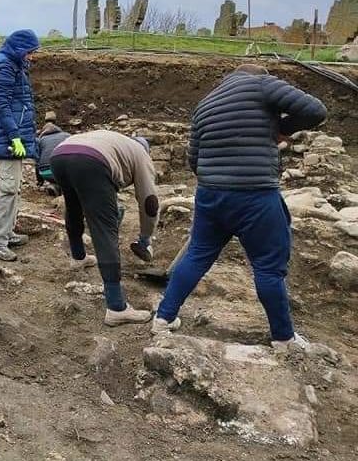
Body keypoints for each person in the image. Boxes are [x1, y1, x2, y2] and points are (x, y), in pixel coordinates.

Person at [153, 65, 327, 349]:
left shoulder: (205, 103)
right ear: (259, 73)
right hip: (255, 195)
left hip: (210, 196)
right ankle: (283, 338)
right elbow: (315, 110)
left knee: (196, 254)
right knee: (269, 268)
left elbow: (193, 160)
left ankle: (163, 318)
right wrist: (280, 129)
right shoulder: (262, 84)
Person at [49, 131, 159, 326]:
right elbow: (149, 202)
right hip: (91, 161)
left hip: (59, 155)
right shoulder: (141, 155)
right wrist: (145, 237)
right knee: (104, 228)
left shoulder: (119, 143)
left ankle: (78, 257)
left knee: (73, 207)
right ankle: (117, 307)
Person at [0, 29, 41, 262]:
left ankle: (6, 233)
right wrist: (15, 136)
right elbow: (3, 106)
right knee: (7, 189)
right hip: (9, 135)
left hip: (14, 132)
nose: (31, 57)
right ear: (19, 49)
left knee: (14, 188)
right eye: (30, 52)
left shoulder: (14, 65)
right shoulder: (6, 68)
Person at [35, 122, 70, 196]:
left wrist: (40, 182)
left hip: (46, 173)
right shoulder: (67, 135)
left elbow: (37, 162)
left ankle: (54, 185)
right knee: (66, 178)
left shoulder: (41, 140)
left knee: (54, 176)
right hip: (64, 171)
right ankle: (63, 188)